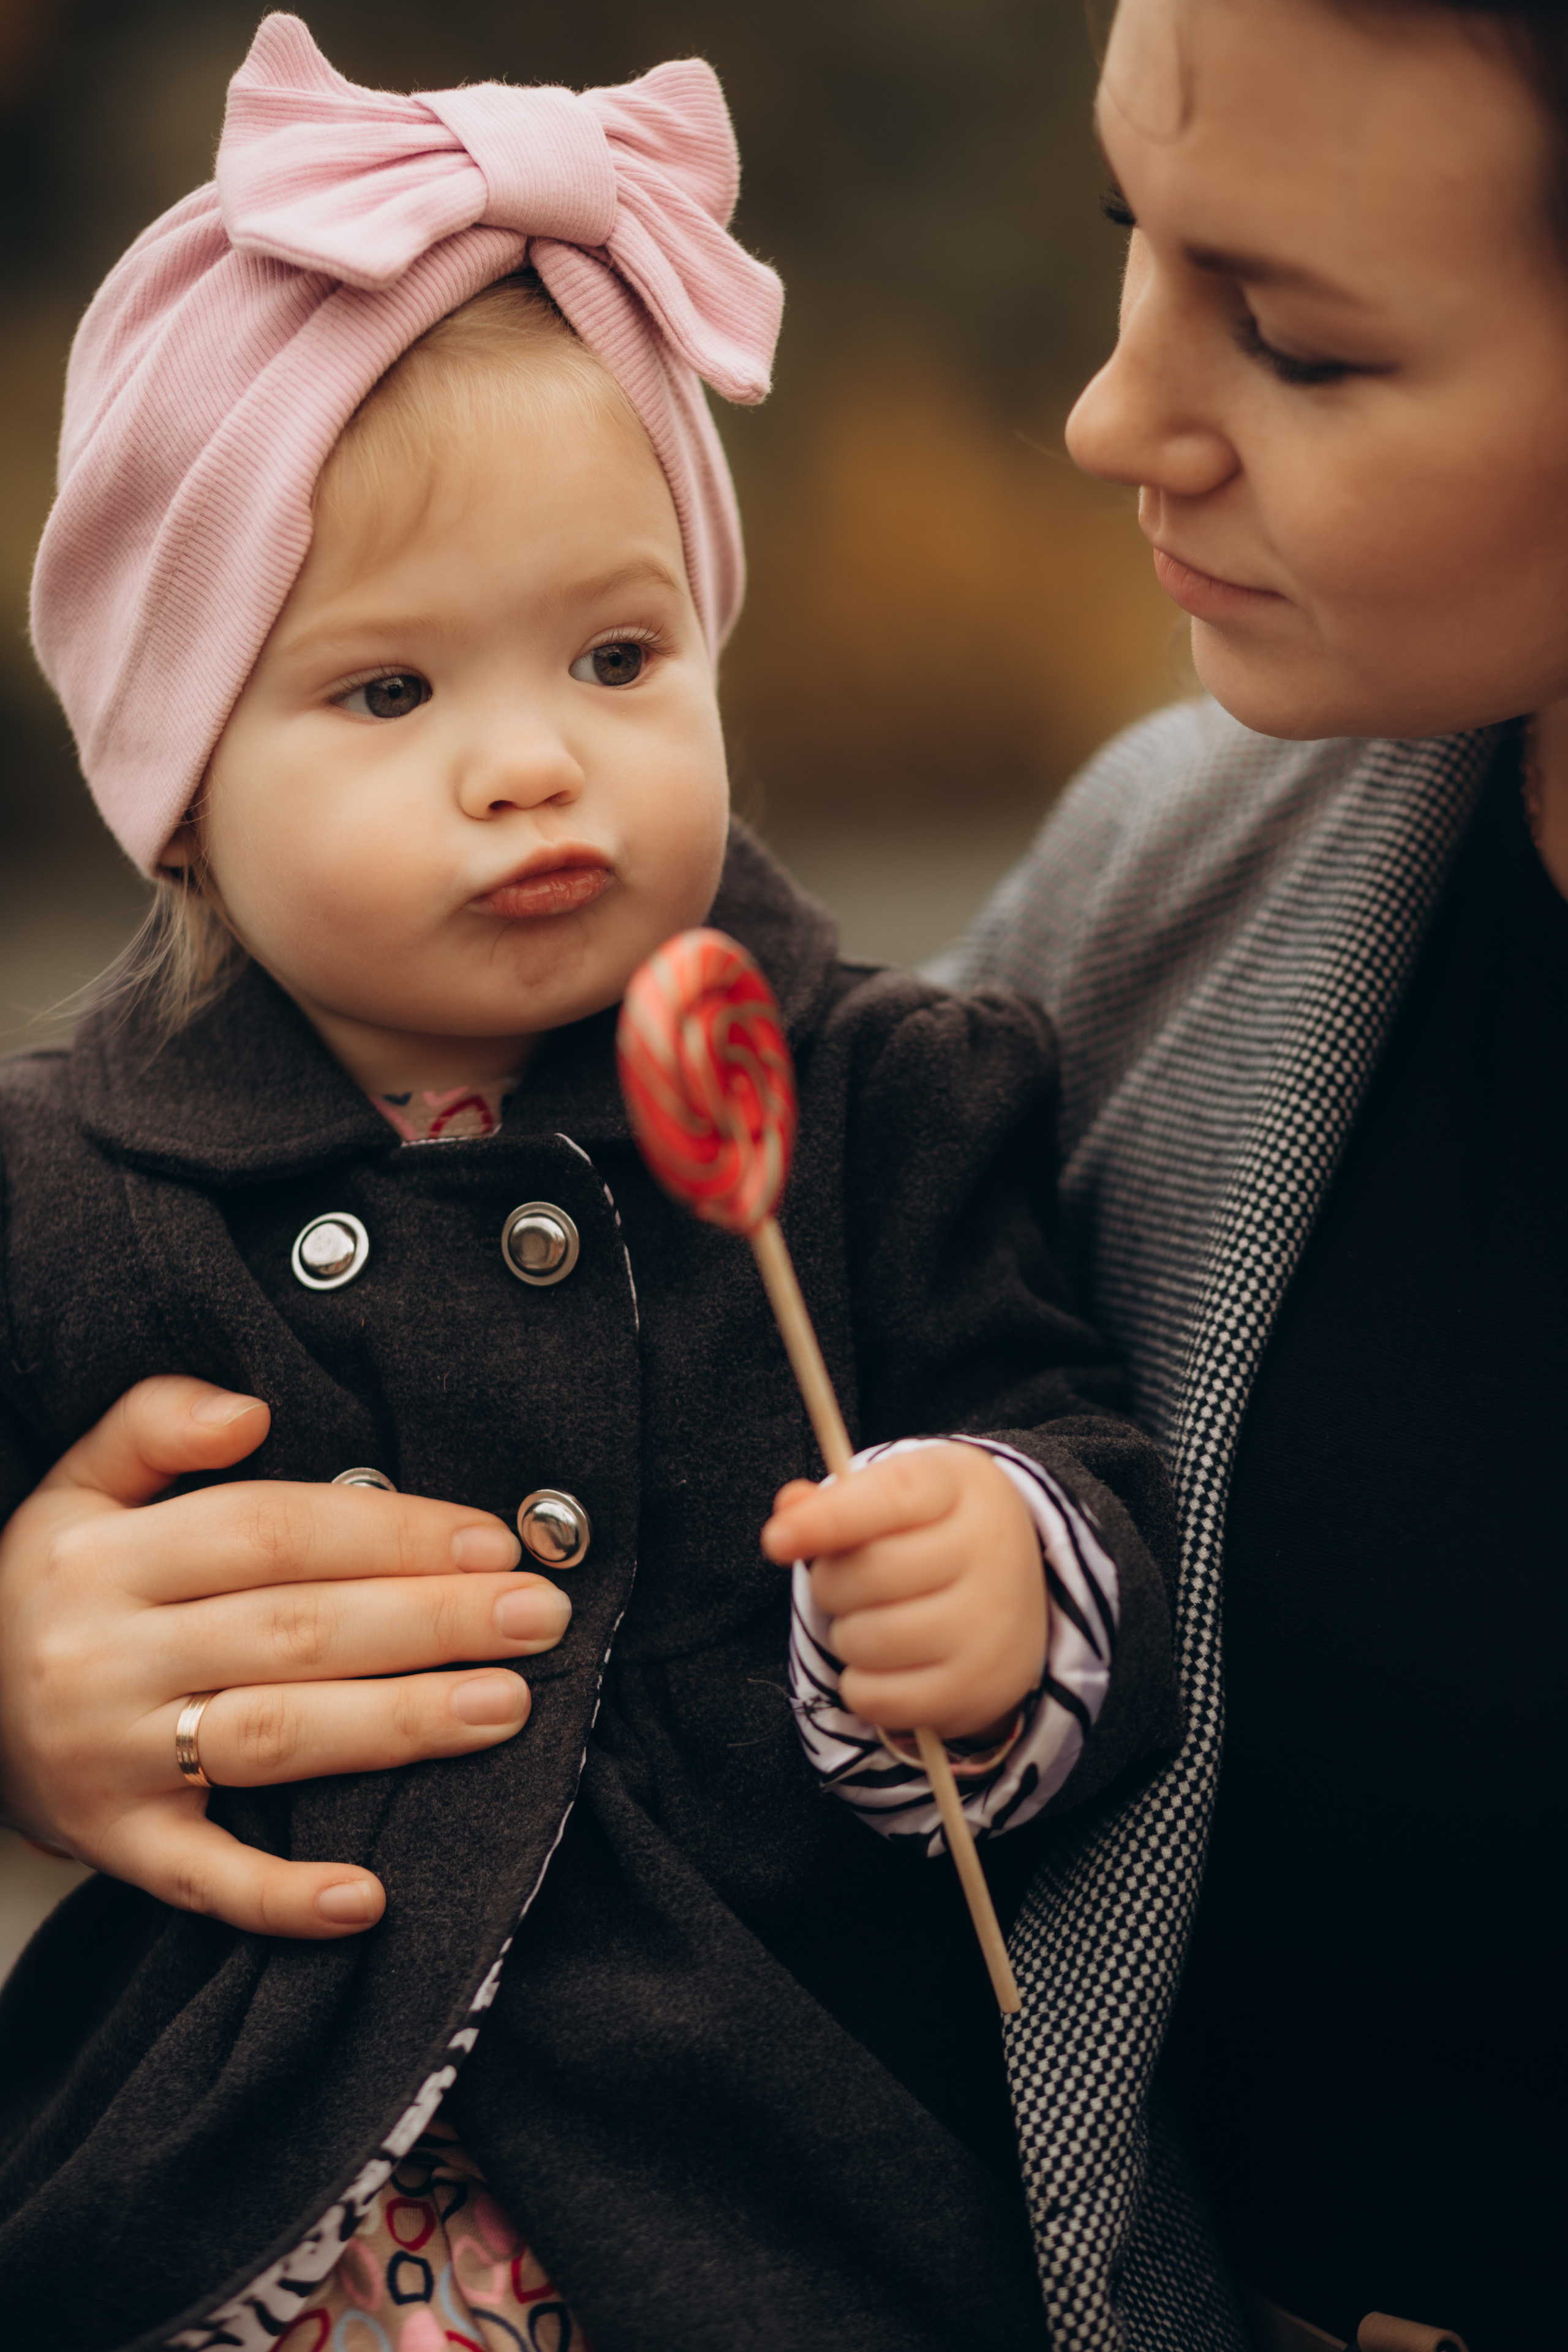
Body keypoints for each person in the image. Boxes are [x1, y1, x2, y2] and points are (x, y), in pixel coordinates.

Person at [0, 17, 1182, 2351]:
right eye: (384, 696)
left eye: (621, 654)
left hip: (770, 2202)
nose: (533, 760)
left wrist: (1007, 1579)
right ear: (176, 771)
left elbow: (1078, 1453)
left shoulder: (884, 1106)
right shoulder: (67, 1185)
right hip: (218, 2203)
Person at [937, 1, 1568, 2348]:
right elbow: (657, 1427)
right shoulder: (1156, 893)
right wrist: (97, 1643)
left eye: (1294, 340)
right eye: (1137, 238)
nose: (1113, 418)